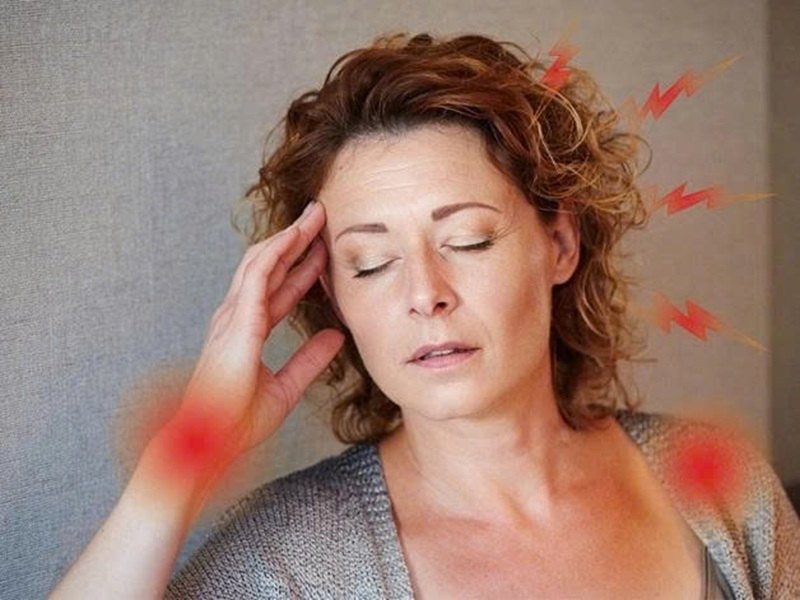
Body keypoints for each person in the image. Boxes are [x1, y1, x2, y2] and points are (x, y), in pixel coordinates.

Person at [51, 32, 798, 599]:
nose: (424, 293)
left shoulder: (721, 490)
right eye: (371, 262)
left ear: (560, 244)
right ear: (334, 295)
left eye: (467, 240)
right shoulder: (286, 561)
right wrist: (179, 464)